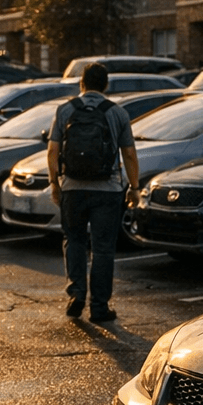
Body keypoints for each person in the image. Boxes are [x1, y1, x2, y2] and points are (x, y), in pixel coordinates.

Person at [48, 61, 139, 323]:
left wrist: (55, 183)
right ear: (106, 85)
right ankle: (99, 307)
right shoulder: (117, 113)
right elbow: (129, 154)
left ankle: (76, 292)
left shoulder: (65, 110)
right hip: (107, 190)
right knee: (102, 249)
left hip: (73, 188)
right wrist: (134, 188)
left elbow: (53, 151)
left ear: (82, 83)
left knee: (74, 240)